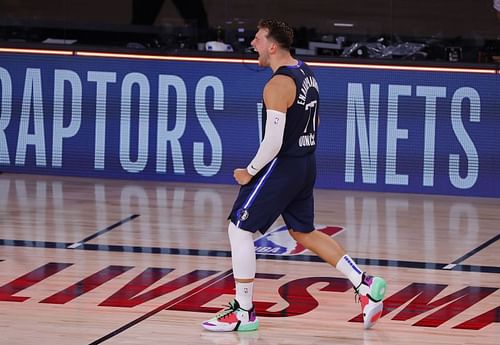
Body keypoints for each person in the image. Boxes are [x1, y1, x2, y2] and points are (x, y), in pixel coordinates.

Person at [201, 19, 387, 332]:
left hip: (283, 165)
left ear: (272, 46)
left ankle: (244, 312)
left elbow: (273, 142)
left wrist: (249, 172)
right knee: (303, 232)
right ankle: (364, 284)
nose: (253, 45)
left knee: (239, 229)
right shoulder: (306, 72)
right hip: (305, 162)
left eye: (258, 39)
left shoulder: (277, 85)